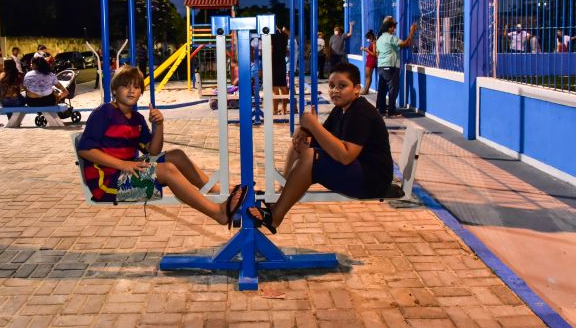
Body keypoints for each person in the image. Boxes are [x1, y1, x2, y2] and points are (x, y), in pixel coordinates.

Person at [77, 65, 248, 223]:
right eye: (125, 86)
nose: (131, 91)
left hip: (128, 170)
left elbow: (153, 151)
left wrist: (158, 125)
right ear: (114, 90)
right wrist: (123, 164)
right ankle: (218, 213)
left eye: (136, 87)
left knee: (177, 156)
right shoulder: (104, 112)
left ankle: (215, 190)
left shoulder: (136, 118)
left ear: (140, 92)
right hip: (108, 183)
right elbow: (85, 150)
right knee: (167, 170)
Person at [248, 62, 393, 233]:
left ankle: (275, 216)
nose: (335, 90)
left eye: (342, 86)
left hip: (372, 180)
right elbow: (319, 139)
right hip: (357, 170)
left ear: (357, 89)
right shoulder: (340, 110)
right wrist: (305, 130)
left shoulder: (361, 112)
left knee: (311, 156)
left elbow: (346, 155)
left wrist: (313, 126)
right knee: (302, 143)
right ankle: (280, 195)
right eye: (331, 86)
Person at [375, 16, 417, 118]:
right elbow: (405, 43)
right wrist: (412, 32)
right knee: (393, 89)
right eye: (393, 27)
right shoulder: (391, 38)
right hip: (391, 66)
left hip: (381, 66)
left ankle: (381, 110)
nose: (394, 29)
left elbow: (377, 53)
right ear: (388, 27)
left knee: (382, 89)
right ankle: (391, 110)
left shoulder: (379, 38)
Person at [271, 27, 289, 115]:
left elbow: (270, 50)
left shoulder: (271, 36)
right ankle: (284, 109)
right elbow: (286, 50)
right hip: (282, 62)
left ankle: (275, 110)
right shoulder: (284, 36)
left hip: (273, 63)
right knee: (283, 87)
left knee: (275, 88)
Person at [360, 30, 377, 95]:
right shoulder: (372, 43)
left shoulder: (374, 43)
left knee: (369, 76)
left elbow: (374, 54)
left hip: (372, 61)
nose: (368, 39)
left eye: (368, 38)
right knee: (367, 75)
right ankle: (366, 89)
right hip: (369, 60)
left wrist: (366, 50)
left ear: (371, 37)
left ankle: (366, 90)